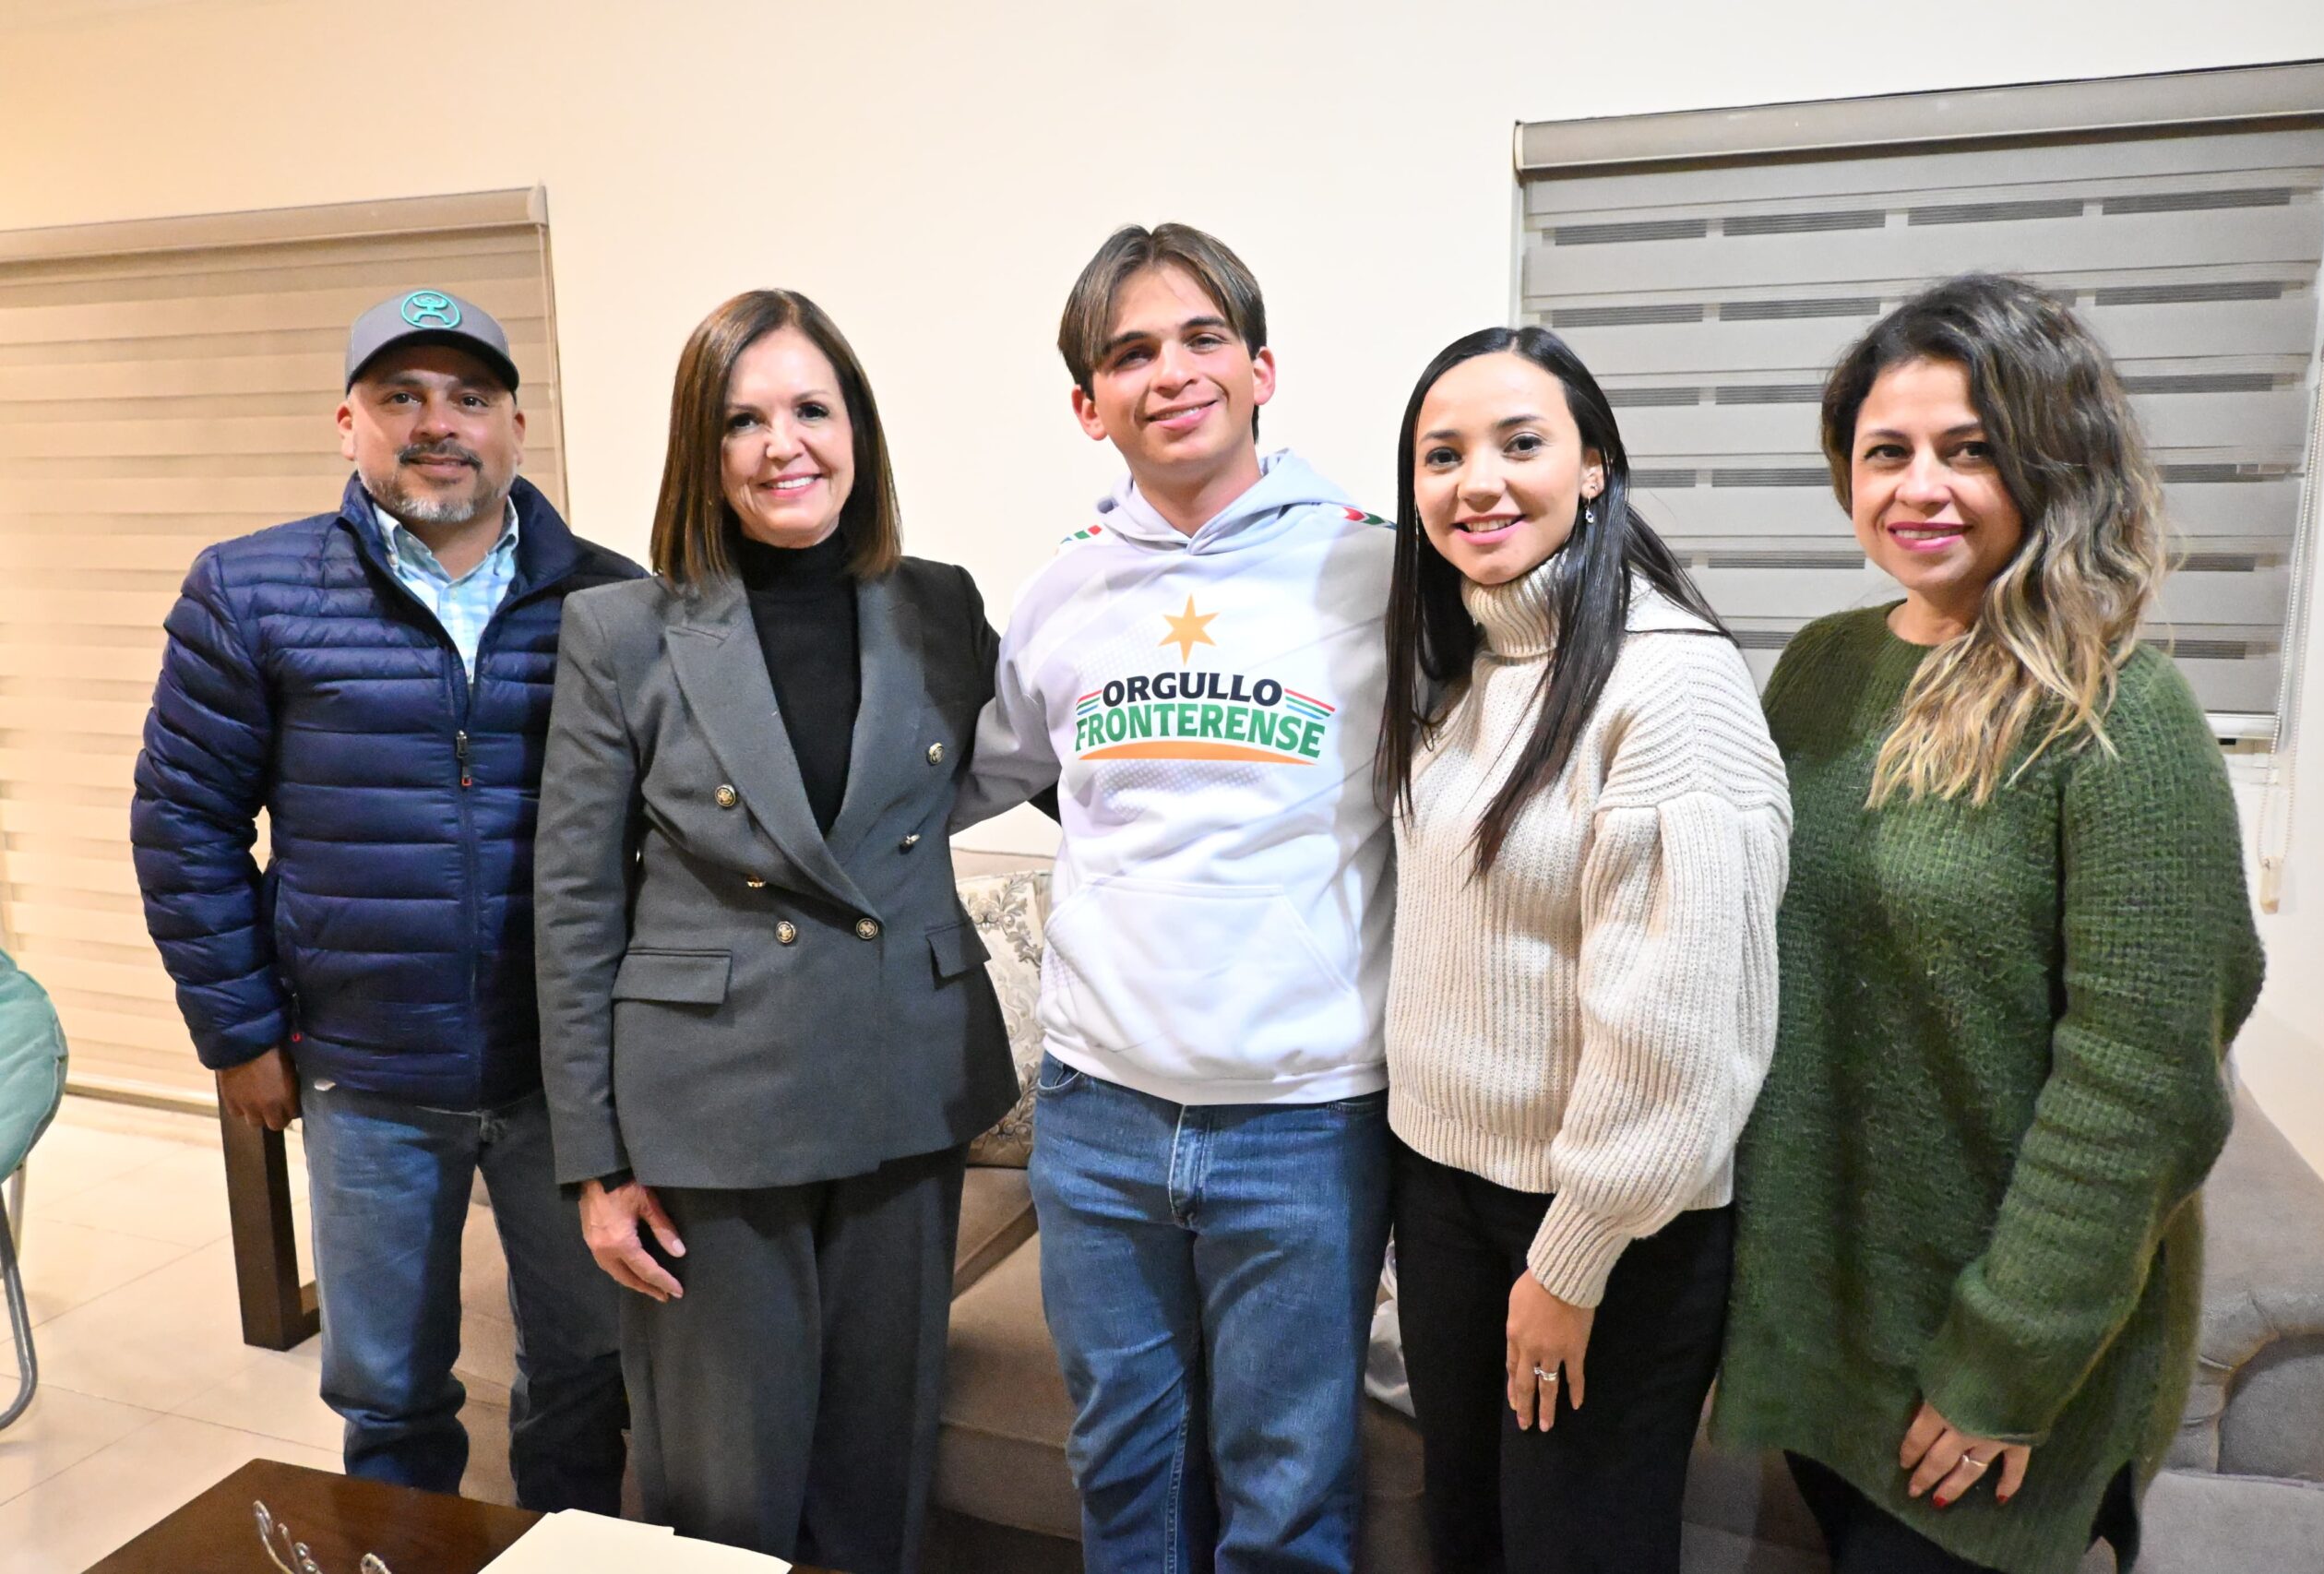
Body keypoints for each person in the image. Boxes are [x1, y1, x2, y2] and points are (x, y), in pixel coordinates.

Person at [1713, 273, 2267, 1574]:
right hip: (1835, 1322)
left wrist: (2004, 1359)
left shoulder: (2123, 716)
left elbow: (2140, 1088)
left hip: (2001, 1367)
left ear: (2050, 463)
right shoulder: (1826, 664)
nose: (1921, 488)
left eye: (1970, 451)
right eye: (1886, 452)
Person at [533, 288, 1017, 1573]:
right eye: (744, 418)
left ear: (858, 430)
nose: (782, 443)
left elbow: (1093, 756)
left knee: (877, 1470)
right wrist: (595, 1160)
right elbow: (574, 902)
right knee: (725, 1489)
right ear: (705, 445)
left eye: (812, 407)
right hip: (710, 1105)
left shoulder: (939, 604)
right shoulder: (620, 630)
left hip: (904, 1086)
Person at [130, 290, 638, 1508]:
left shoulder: (616, 602)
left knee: (586, 1371)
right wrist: (242, 1031)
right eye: (402, 396)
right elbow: (185, 818)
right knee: (390, 1392)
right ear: (347, 420)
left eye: (468, 397)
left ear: (519, 424)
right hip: (364, 1075)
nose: (437, 423)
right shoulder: (250, 591)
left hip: (566, 1072)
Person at [957, 222, 1396, 1573]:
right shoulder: (1060, 592)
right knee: (1127, 1481)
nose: (1172, 371)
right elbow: (982, 772)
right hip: (1098, 1120)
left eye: (1203, 337)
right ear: (1090, 406)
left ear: (1262, 367)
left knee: (1286, 1496)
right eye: (1130, 351)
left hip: (1307, 1118)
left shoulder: (1380, 571)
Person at [1374, 326, 1789, 1572]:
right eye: (1441, 456)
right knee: (1471, 1540)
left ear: (1597, 465)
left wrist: (1573, 1256)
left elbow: (1682, 1028)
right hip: (1447, 1198)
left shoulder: (1674, 687)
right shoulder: (1472, 663)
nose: (1476, 482)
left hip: (1597, 1222)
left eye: (1520, 443)